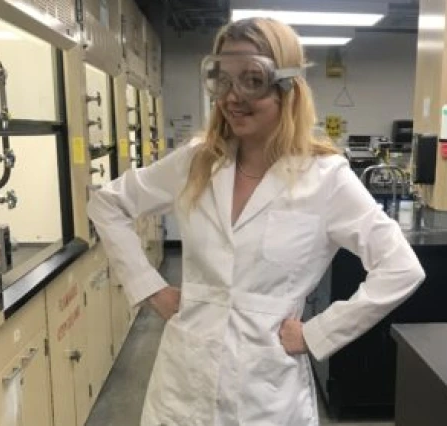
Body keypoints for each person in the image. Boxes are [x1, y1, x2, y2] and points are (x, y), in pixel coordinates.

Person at [87, 17, 425, 426]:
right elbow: (108, 205)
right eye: (222, 80)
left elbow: (400, 268)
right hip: (183, 385)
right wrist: (149, 288)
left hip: (267, 394)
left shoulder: (325, 177)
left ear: (288, 86)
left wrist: (317, 333)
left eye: (253, 80)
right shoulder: (197, 162)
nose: (233, 97)